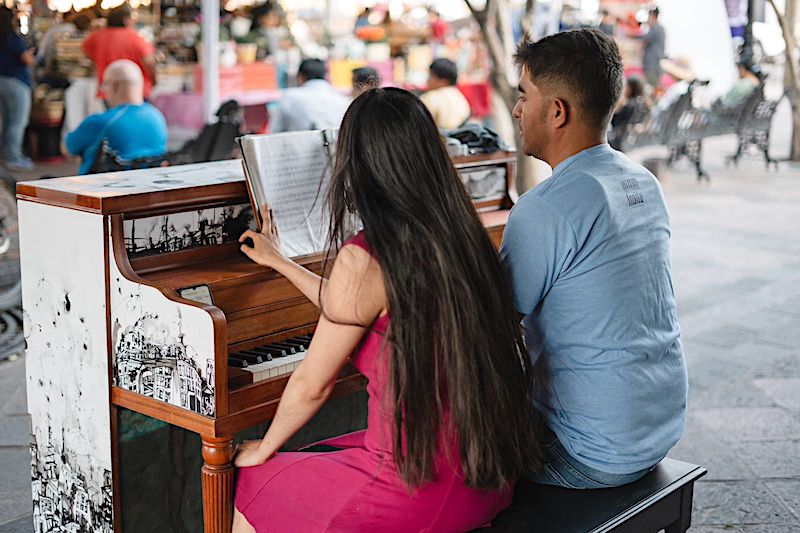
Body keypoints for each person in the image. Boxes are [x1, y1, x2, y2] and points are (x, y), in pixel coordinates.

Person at [233, 87, 543, 532]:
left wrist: (263, 448)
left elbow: (311, 386)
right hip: (485, 473)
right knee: (320, 453)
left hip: (414, 487)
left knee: (251, 480)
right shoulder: (461, 235)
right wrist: (282, 263)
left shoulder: (367, 255)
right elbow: (351, 304)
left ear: (356, 165)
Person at [501, 29, 687, 489]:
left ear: (557, 110)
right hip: (657, 427)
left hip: (587, 452)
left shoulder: (545, 207)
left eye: (523, 95)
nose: (517, 110)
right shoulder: (642, 181)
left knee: (438, 447)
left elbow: (490, 324)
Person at [64, 59, 167, 174]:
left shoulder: (100, 122)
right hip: (148, 186)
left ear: (115, 85)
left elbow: (68, 149)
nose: (102, 90)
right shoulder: (158, 117)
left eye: (104, 84)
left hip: (100, 189)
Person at [81, 4, 157, 100]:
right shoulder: (135, 38)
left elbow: (86, 50)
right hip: (136, 90)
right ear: (126, 20)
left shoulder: (97, 36)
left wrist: (97, 62)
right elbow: (149, 61)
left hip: (108, 90)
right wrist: (154, 79)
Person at [268, 58, 350, 133]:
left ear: (301, 76)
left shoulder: (289, 97)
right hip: (334, 147)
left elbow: (275, 131)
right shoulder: (343, 100)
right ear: (325, 75)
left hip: (298, 148)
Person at [0, 5, 34, 170]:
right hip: (16, 82)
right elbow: (26, 59)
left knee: (7, 120)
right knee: (17, 120)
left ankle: (8, 154)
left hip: (2, 80)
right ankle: (13, 157)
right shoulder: (11, 37)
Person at [420, 58, 471, 130]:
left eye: (431, 75)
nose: (427, 80)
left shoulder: (430, 97)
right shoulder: (460, 97)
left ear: (443, 80)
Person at [610, 77, 647, 149]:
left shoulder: (628, 105)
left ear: (631, 88)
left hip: (619, 141)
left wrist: (618, 106)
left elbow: (614, 122)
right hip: (634, 142)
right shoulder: (643, 103)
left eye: (626, 86)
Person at [638, 8, 666, 92]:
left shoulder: (656, 29)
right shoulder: (658, 29)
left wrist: (632, 35)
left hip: (652, 65)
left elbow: (644, 39)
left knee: (654, 88)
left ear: (653, 17)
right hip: (653, 64)